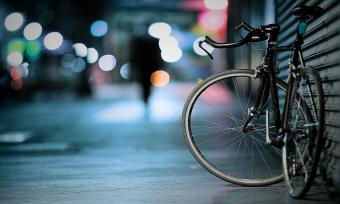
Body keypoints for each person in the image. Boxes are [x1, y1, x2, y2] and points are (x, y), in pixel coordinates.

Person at [130, 31, 162, 106]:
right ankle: (146, 98)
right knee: (147, 84)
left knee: (144, 84)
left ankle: (145, 98)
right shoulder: (153, 42)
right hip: (149, 67)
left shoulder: (139, 43)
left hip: (143, 67)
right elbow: (157, 55)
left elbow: (134, 55)